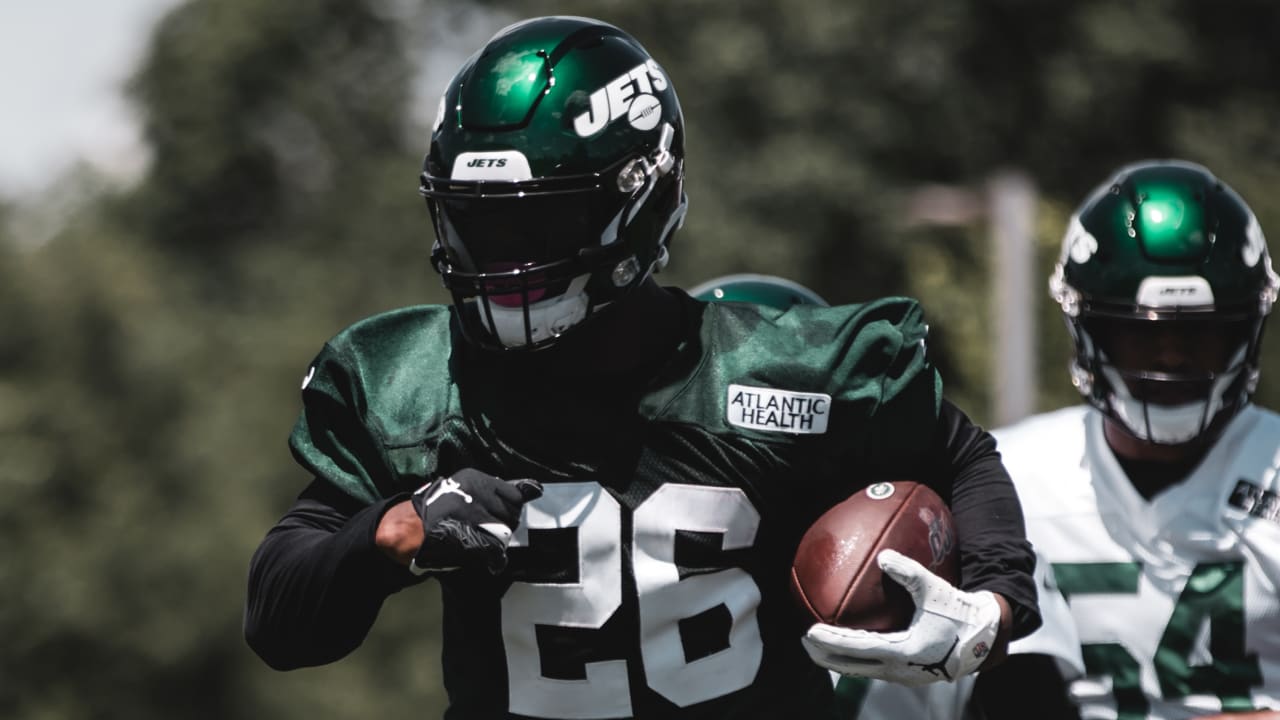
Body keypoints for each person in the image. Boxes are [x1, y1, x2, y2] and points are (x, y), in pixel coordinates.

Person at [243, 16, 1041, 719]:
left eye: (542, 223)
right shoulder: (419, 383)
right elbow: (279, 619)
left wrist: (993, 606)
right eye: (478, 227)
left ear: (641, 197)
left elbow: (962, 455)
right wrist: (390, 536)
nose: (506, 266)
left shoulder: (772, 368)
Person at [970, 160, 1280, 720]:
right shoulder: (1004, 475)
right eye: (1143, 333)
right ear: (1089, 328)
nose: (1171, 357)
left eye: (1199, 332)